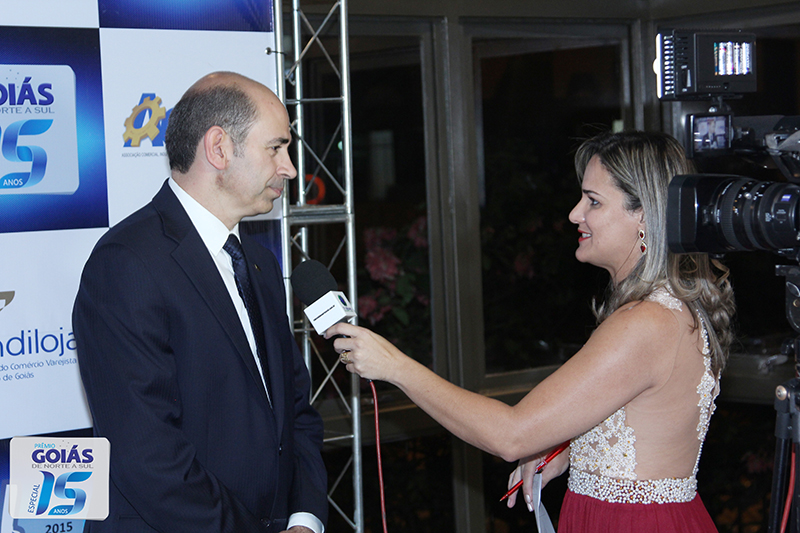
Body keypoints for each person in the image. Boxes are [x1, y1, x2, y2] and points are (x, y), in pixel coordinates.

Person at [326, 131, 735, 531]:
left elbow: (511, 435)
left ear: (643, 214)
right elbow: (648, 427)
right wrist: (575, 449)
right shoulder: (668, 309)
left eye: (593, 201)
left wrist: (396, 366)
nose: (575, 214)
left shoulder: (644, 322)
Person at [73, 72, 327, 533]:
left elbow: (296, 413)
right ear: (219, 148)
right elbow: (147, 456)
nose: (290, 168)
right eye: (276, 148)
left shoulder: (260, 263)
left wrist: (304, 519)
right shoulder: (126, 263)